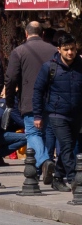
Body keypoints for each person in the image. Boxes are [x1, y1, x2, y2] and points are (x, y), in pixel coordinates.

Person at [6, 21, 59, 184]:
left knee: (33, 133)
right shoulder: (54, 51)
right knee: (44, 134)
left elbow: (11, 79)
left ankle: (44, 161)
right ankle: (35, 170)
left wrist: (9, 101)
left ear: (26, 34)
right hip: (52, 100)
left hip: (29, 101)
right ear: (42, 34)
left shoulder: (19, 51)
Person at [32, 33, 82, 193]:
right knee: (66, 146)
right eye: (66, 49)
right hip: (56, 114)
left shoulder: (81, 65)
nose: (70, 53)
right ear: (59, 49)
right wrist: (38, 115)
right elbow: (38, 91)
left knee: (70, 145)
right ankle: (75, 179)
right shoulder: (50, 67)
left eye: (72, 49)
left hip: (76, 114)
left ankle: (58, 178)